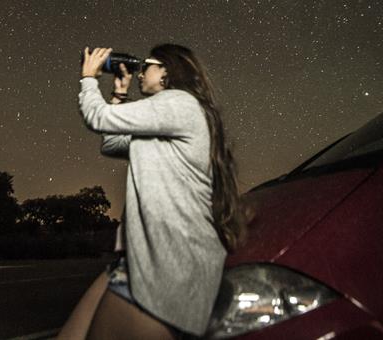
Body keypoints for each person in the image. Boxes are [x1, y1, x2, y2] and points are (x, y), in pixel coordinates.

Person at [57, 44, 247, 340]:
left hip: (164, 274)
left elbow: (98, 117)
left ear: (167, 73)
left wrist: (88, 77)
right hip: (135, 263)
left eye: (148, 65)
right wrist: (119, 94)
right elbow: (112, 145)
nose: (140, 71)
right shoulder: (164, 118)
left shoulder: (179, 103)